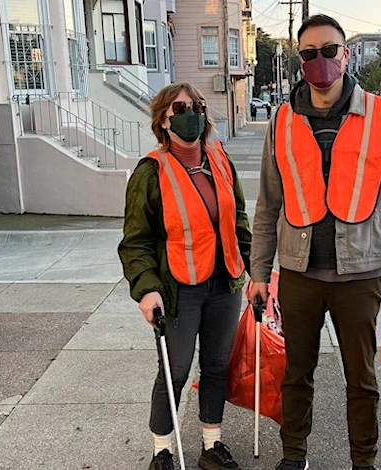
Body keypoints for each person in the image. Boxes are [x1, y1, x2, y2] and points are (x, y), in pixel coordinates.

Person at [247, 14, 381, 470]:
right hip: (299, 274)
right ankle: (294, 456)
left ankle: (363, 461)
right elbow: (267, 206)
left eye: (329, 51)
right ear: (300, 61)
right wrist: (259, 275)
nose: (320, 60)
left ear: (345, 55)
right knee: (296, 374)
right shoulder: (281, 121)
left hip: (359, 275)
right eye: (309, 54)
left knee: (361, 378)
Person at [118, 82, 251, 470]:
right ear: (163, 119)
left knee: (216, 364)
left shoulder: (219, 159)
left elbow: (237, 218)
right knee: (175, 369)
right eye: (180, 108)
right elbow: (135, 241)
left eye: (196, 106)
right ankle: (162, 449)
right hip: (179, 289)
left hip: (225, 282)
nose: (191, 113)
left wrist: (254, 267)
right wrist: (146, 290)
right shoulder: (150, 172)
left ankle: (212, 444)